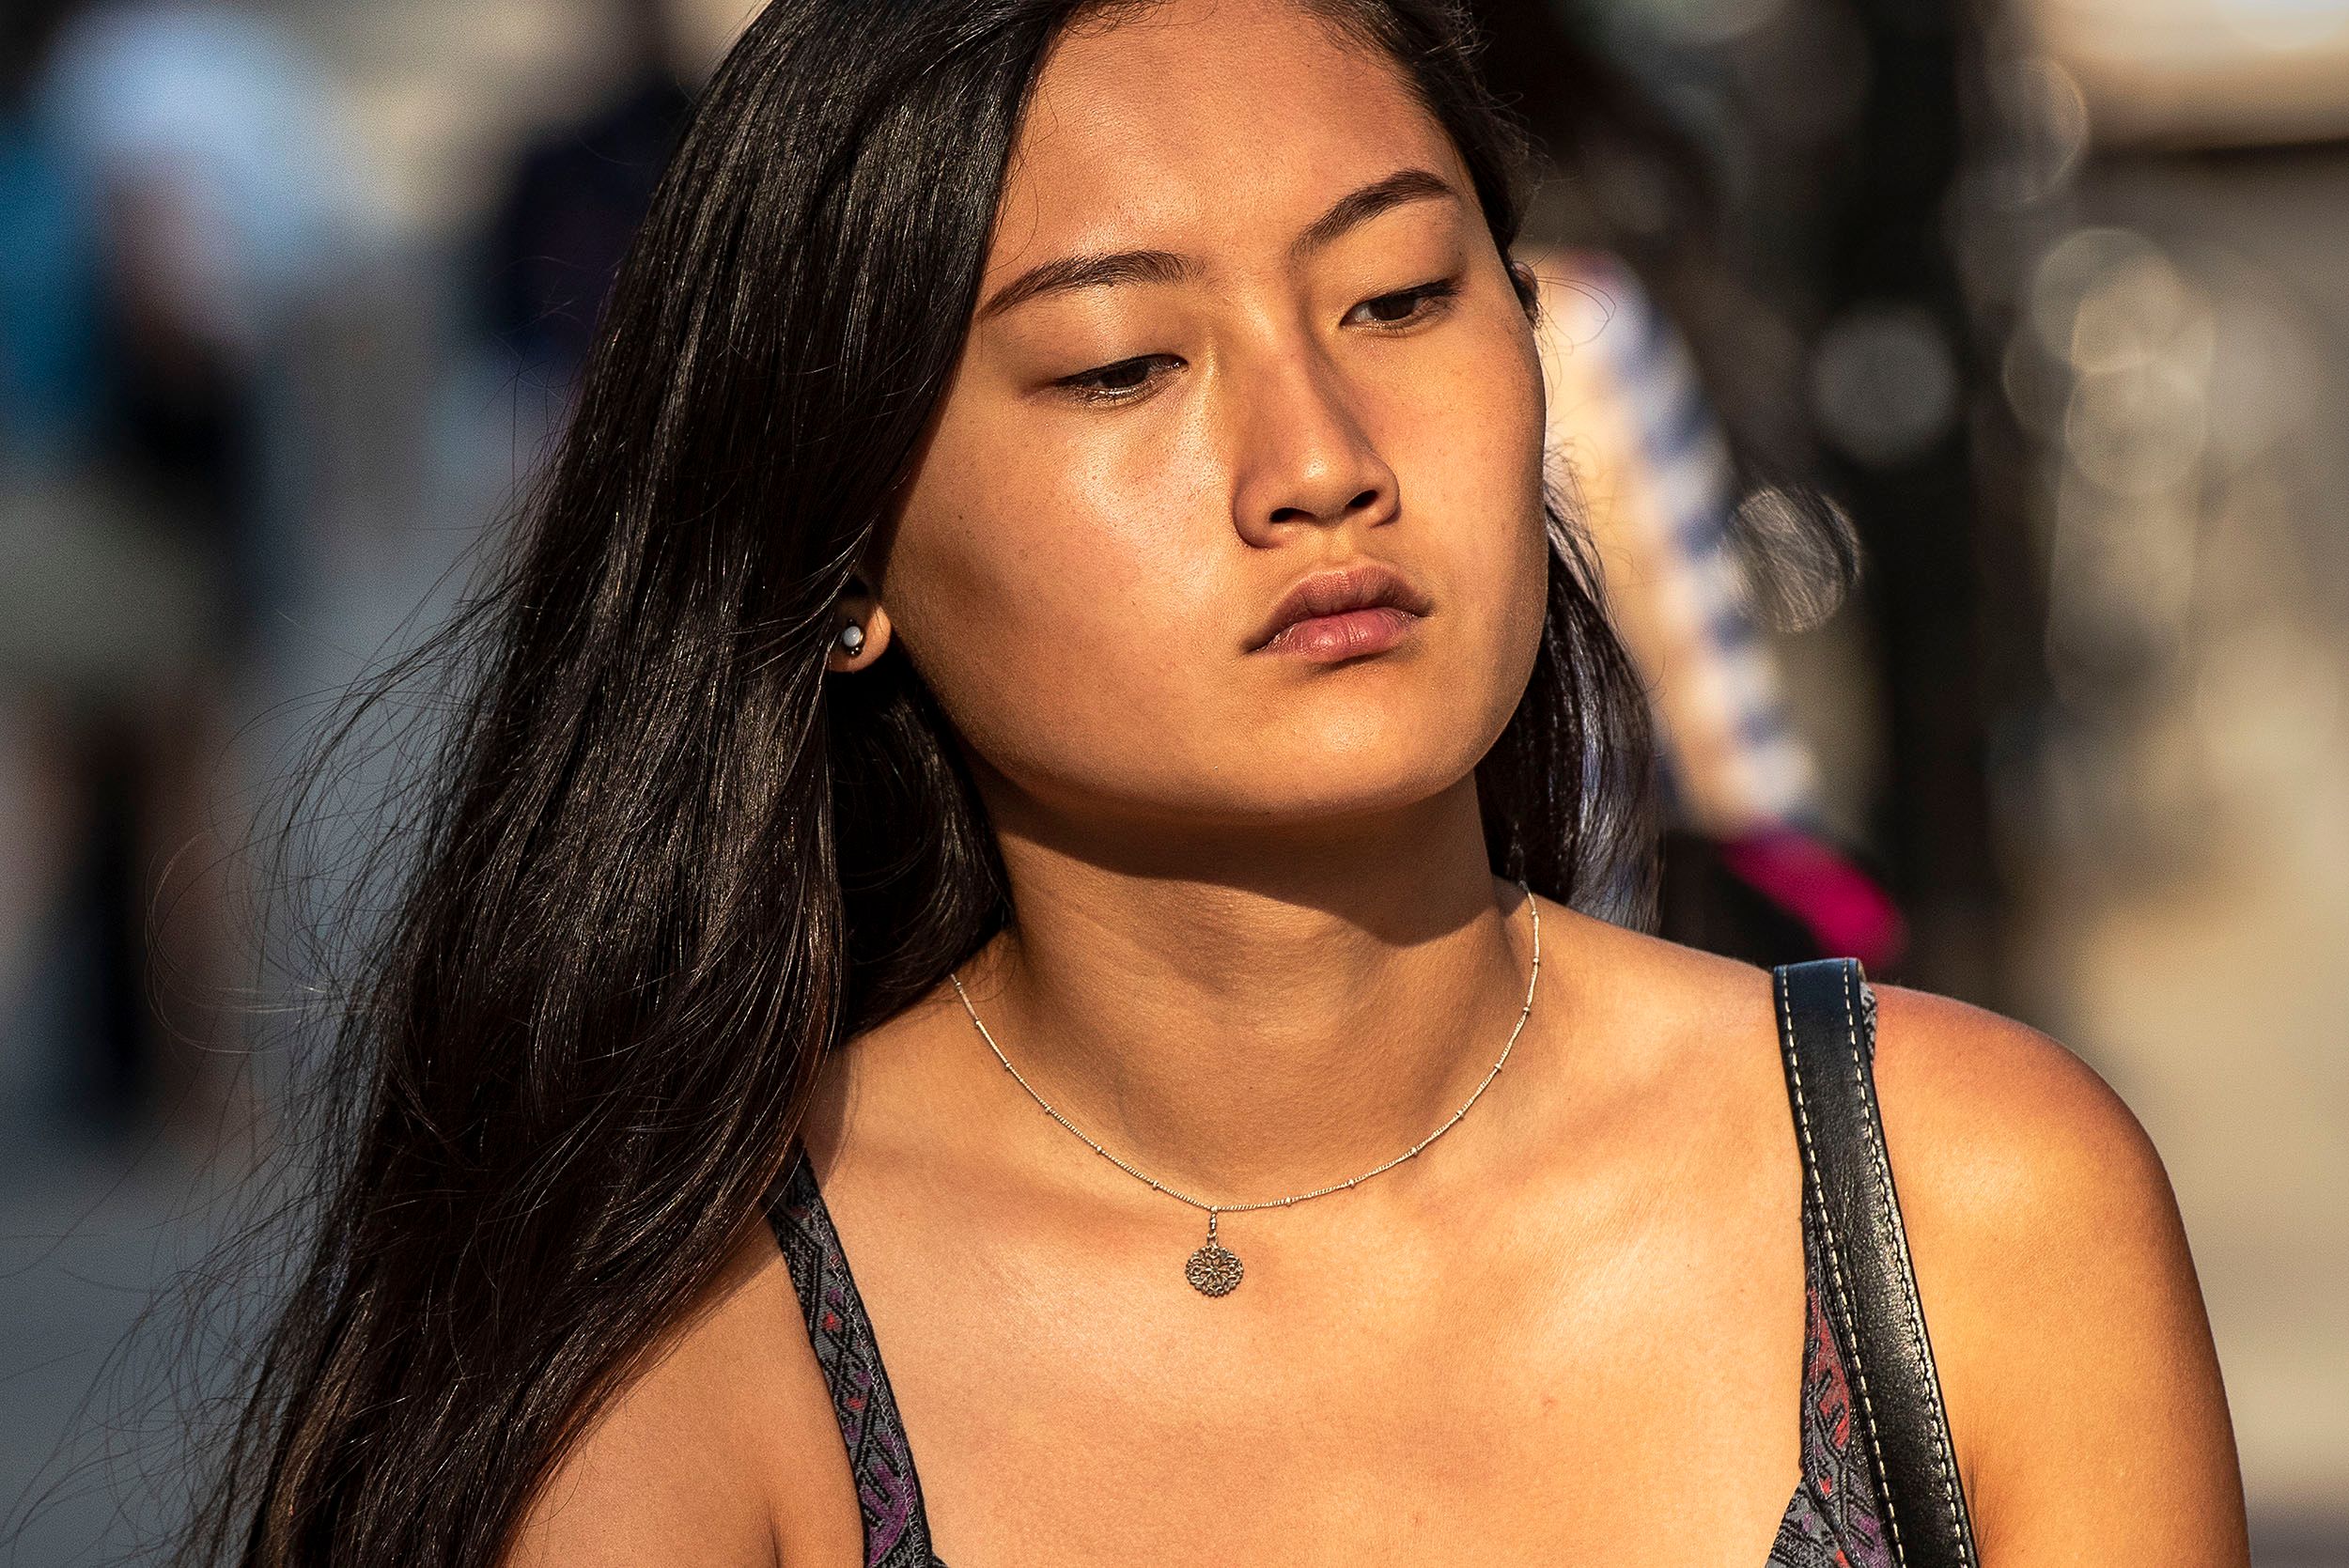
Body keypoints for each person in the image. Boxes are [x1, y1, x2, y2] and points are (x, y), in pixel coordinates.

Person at [181, 1, 2249, 1565]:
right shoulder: (685, 1349)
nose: (1320, 453)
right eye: (1118, 364)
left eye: (1399, 297)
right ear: (841, 552)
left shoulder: (1959, 1198)